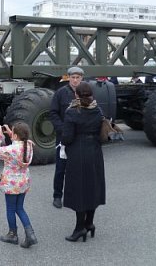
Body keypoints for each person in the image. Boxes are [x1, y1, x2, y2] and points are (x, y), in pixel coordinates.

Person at [62, 82, 105, 242]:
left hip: (78, 153)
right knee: (92, 187)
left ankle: (79, 228)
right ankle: (89, 223)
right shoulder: (97, 109)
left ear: (76, 95)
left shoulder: (72, 112)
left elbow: (67, 138)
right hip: (95, 151)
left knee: (79, 190)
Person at [0, 122, 37, 248]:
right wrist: (12, 133)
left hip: (11, 184)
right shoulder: (29, 144)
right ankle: (30, 234)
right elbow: (20, 142)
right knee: (19, 208)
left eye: (13, 133)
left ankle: (12, 235)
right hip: (23, 182)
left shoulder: (10, 150)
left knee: (11, 209)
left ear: (16, 136)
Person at [49, 66, 84, 208]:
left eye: (78, 78)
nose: (75, 80)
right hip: (63, 138)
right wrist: (63, 129)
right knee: (61, 169)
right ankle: (57, 195)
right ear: (68, 78)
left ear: (82, 78)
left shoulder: (86, 93)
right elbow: (53, 113)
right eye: (73, 77)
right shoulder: (60, 93)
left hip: (80, 137)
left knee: (77, 168)